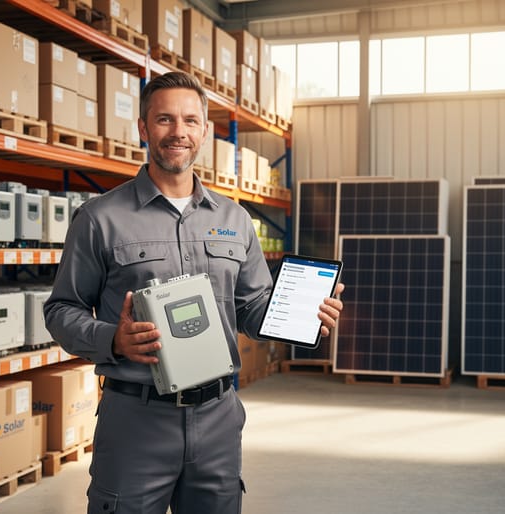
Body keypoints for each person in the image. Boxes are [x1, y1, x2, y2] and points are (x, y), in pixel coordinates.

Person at [44, 71, 344, 514]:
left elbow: (252, 308)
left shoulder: (235, 219)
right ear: (144, 128)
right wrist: (112, 339)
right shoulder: (100, 218)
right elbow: (61, 309)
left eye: (190, 120)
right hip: (136, 421)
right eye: (164, 120)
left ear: (204, 130)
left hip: (218, 421)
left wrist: (300, 314)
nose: (178, 132)